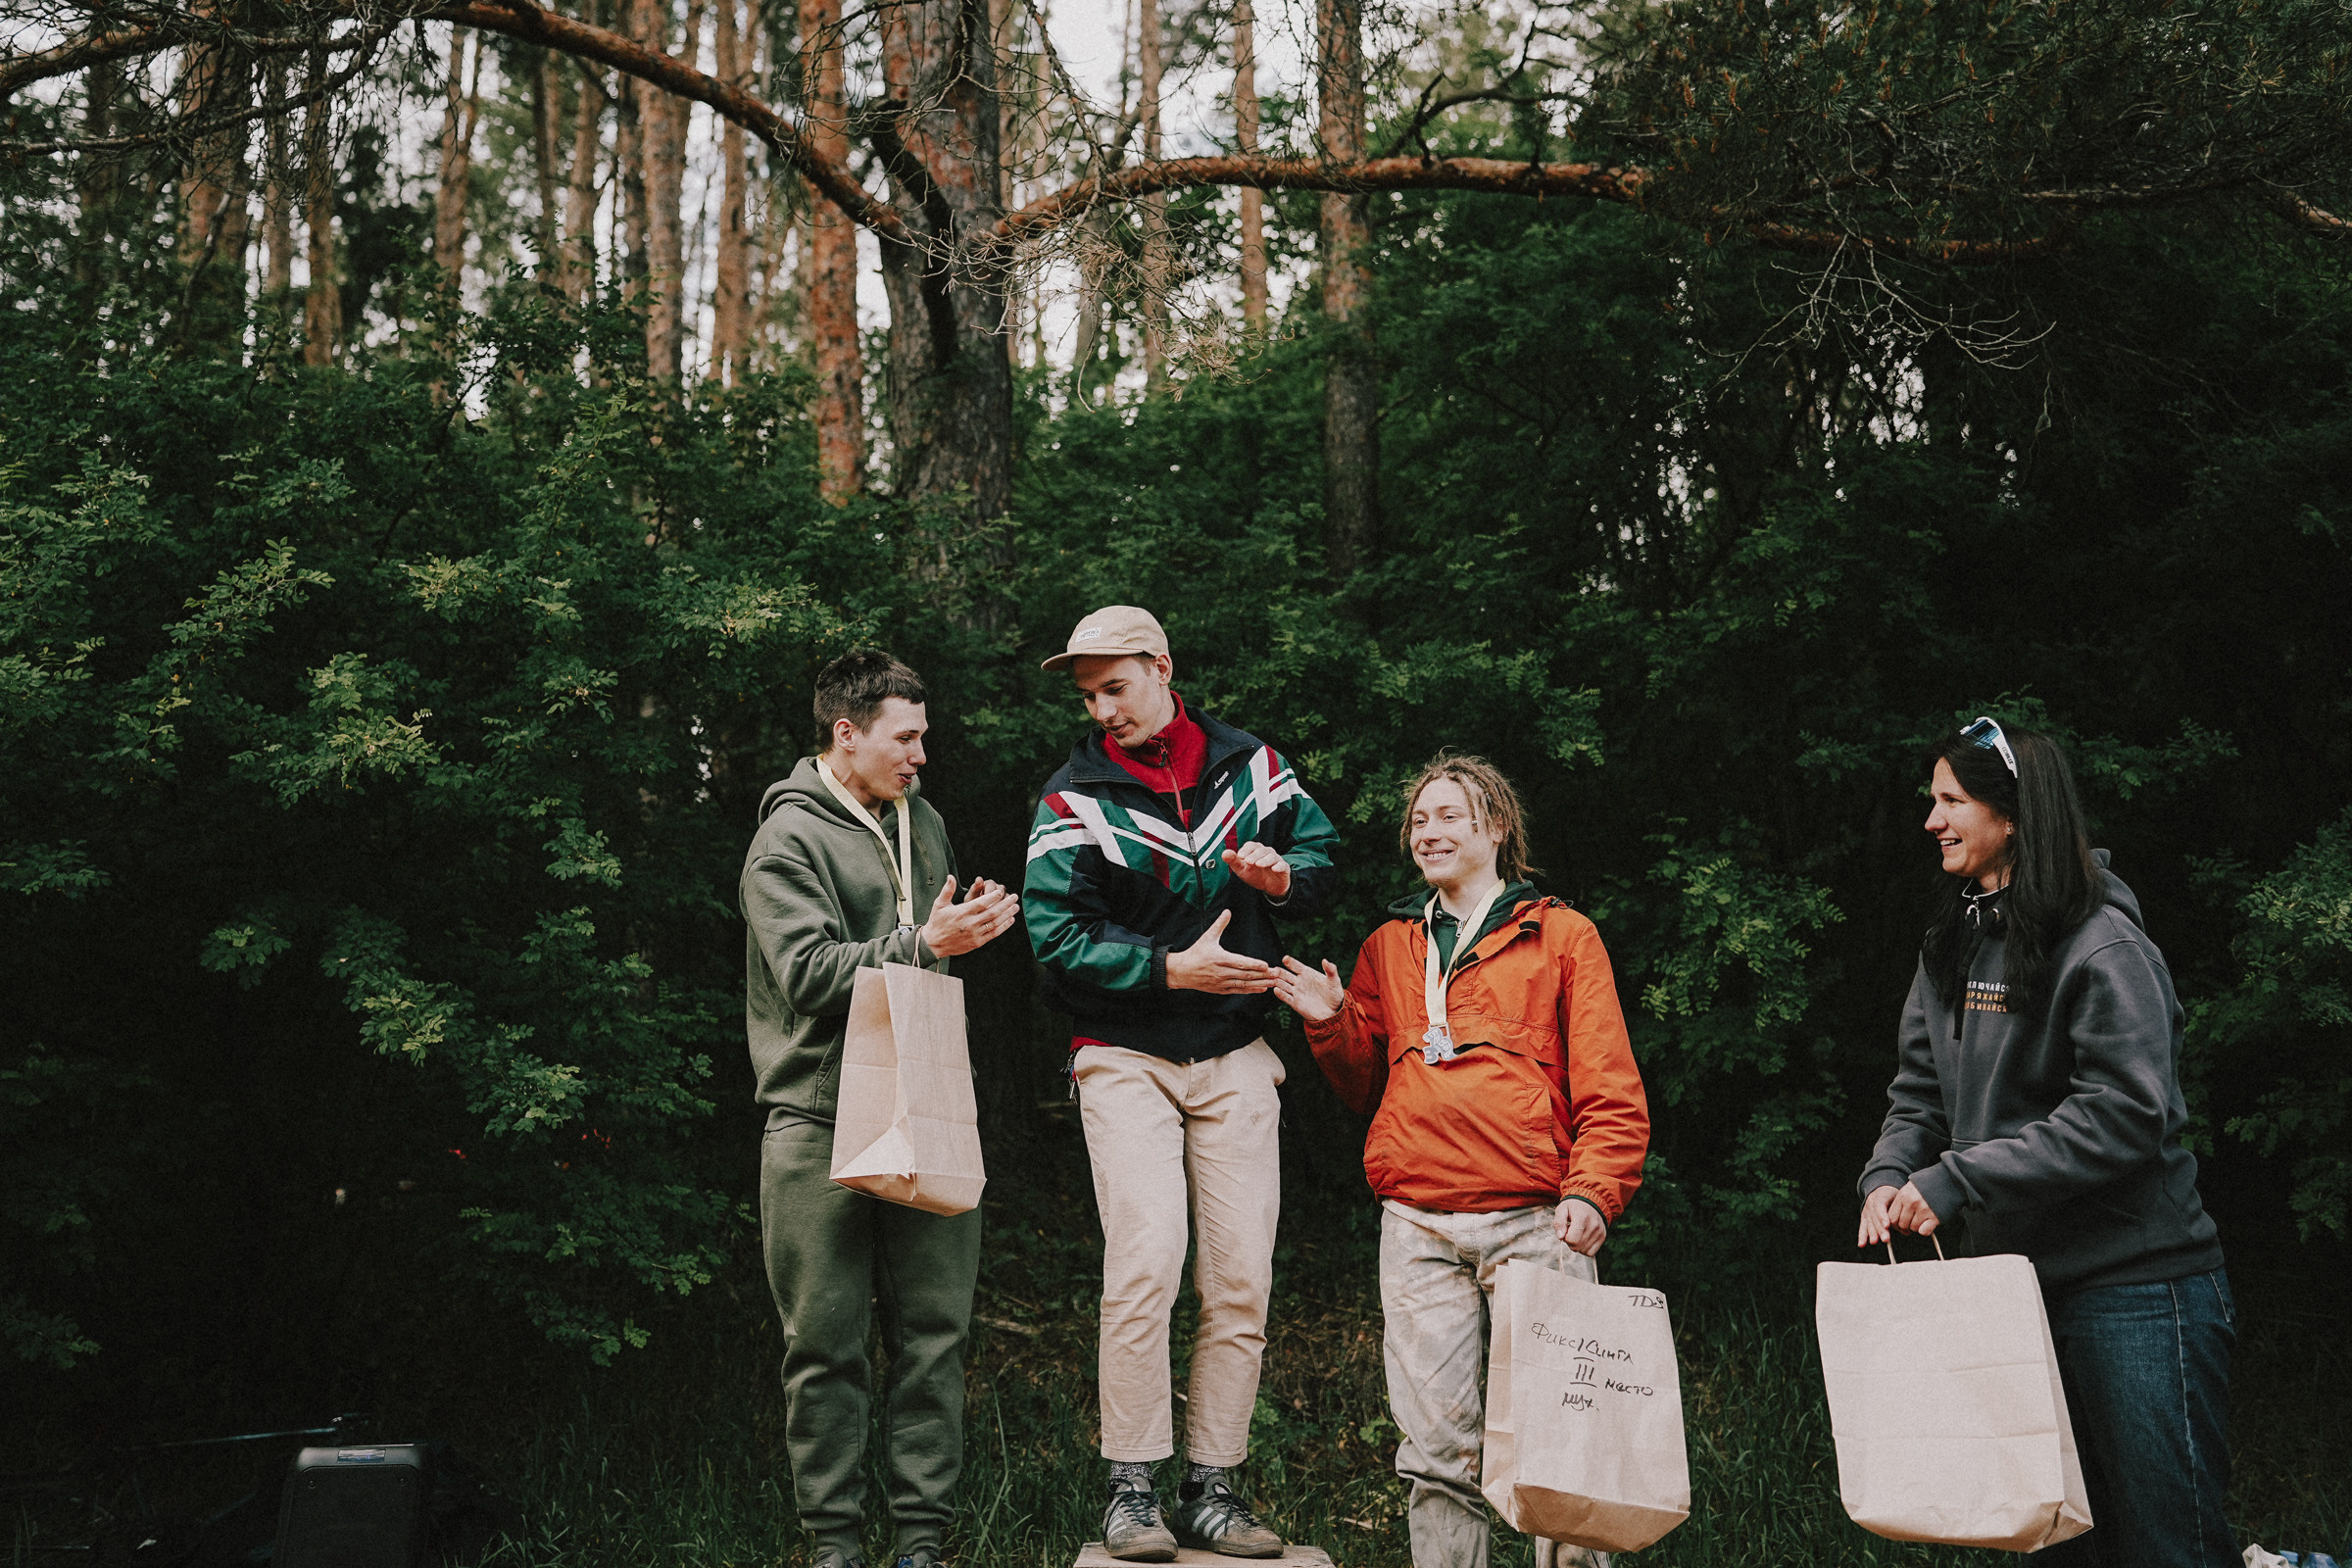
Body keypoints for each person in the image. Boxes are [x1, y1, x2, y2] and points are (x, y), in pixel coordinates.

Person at [1857, 716, 2231, 1568]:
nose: (1932, 820)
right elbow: (1920, 1093)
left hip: (2138, 1288)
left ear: (2014, 815)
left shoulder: (2104, 945)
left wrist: (1957, 1180)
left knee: (2169, 1547)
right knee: (2052, 1540)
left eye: (1952, 801)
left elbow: (2126, 1114)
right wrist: (1889, 1173)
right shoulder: (1950, 938)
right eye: (1932, 800)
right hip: (2013, 1292)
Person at [1272, 752, 1650, 1568]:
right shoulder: (1391, 944)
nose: (1429, 832)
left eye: (1450, 816)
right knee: (1436, 1456)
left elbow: (1610, 1081)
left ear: (1497, 828)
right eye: (1418, 820)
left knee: (1559, 1445)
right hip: (1417, 1223)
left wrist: (1594, 1190)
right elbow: (1366, 1083)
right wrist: (1332, 1020)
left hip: (1537, 1221)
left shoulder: (1560, 935)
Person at [1023, 606, 1343, 1562]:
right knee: (1148, 1258)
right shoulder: (1072, 796)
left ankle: (1213, 1488)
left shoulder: (1254, 768)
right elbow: (1056, 942)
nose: (1102, 708)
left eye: (1115, 685)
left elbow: (1321, 861)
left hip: (1237, 1050)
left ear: (1162, 667)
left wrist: (1280, 877)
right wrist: (1169, 971)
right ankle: (1131, 1490)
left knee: (1241, 1274)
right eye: (1089, 695)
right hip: (1124, 1052)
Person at [740, 650, 1023, 1568]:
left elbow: (920, 952)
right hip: (817, 1118)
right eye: (906, 738)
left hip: (925, 1099)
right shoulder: (786, 839)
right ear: (846, 733)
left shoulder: (923, 822)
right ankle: (833, 1547)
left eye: (924, 738)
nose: (920, 756)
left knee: (935, 1338)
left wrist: (959, 930)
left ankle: (922, 1546)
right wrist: (921, 940)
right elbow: (810, 974)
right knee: (825, 1346)